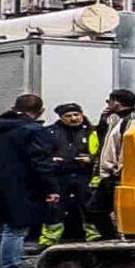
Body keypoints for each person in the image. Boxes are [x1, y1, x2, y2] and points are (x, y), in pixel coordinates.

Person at [0, 93, 60, 268]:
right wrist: (51, 188)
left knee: (5, 226)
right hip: (23, 185)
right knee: (17, 228)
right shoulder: (33, 131)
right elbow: (40, 162)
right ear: (40, 111)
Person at [46, 104, 98, 245]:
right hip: (59, 175)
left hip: (85, 175)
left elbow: (102, 152)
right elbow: (41, 153)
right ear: (61, 117)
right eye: (68, 116)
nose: (73, 118)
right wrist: (51, 160)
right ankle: (49, 240)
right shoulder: (50, 132)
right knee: (55, 209)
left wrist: (91, 159)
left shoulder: (93, 131)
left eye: (76, 114)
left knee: (90, 207)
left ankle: (95, 237)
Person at [89, 89, 135, 238]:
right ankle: (114, 239)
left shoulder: (131, 121)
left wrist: (118, 169)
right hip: (111, 173)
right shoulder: (116, 119)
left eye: (108, 101)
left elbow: (126, 148)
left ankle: (123, 240)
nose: (107, 104)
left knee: (103, 210)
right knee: (95, 210)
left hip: (117, 174)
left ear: (116, 103)